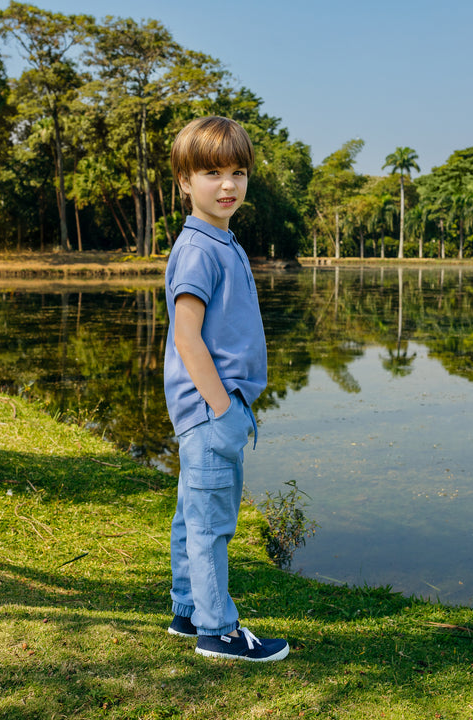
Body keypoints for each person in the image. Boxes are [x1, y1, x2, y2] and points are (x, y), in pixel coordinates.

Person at [162, 116, 289, 662]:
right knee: (212, 521)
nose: (228, 184)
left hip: (212, 407)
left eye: (237, 171)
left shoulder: (221, 239)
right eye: (212, 172)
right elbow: (186, 337)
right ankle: (219, 631)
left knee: (193, 511)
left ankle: (188, 612)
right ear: (185, 182)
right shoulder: (199, 249)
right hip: (212, 408)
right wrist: (223, 408)